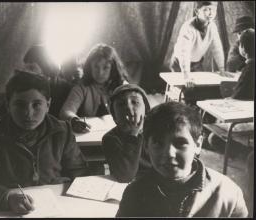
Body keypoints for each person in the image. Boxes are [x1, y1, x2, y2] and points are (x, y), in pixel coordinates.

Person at [0, 70, 88, 214]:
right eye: (20, 105)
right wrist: (7, 198)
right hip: (14, 210)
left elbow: (79, 171)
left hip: (56, 207)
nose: (28, 113)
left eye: (36, 105)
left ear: (48, 105)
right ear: (8, 105)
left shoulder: (63, 132)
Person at [116, 102, 248, 217]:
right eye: (158, 143)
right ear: (146, 146)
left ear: (198, 145)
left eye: (180, 143)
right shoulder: (134, 194)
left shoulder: (228, 193)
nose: (169, 153)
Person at [59, 43, 129, 133]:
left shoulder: (122, 86)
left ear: (113, 68)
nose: (100, 72)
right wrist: (74, 120)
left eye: (105, 67)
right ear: (89, 67)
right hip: (89, 135)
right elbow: (66, 111)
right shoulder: (82, 86)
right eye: (96, 67)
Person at [170, 1, 229, 105]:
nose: (211, 13)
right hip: (180, 63)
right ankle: (188, 114)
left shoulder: (212, 27)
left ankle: (203, 115)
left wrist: (222, 69)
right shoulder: (188, 27)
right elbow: (184, 53)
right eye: (206, 9)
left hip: (197, 63)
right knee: (189, 90)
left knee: (203, 89)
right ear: (197, 11)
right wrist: (186, 75)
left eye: (213, 9)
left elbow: (217, 48)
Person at [207, 28, 254, 154]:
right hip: (249, 114)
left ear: (243, 49)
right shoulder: (248, 67)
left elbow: (238, 97)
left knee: (213, 138)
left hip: (245, 119)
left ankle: (243, 152)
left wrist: (228, 100)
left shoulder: (249, 69)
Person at [102, 84, 151, 183]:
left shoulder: (155, 132)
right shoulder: (110, 139)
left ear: (146, 111)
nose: (129, 107)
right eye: (121, 104)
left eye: (135, 102)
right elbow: (125, 176)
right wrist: (133, 135)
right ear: (114, 117)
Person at [23, 44, 74, 118]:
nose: (26, 72)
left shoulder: (66, 89)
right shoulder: (25, 86)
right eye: (25, 68)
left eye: (31, 68)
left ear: (45, 67)